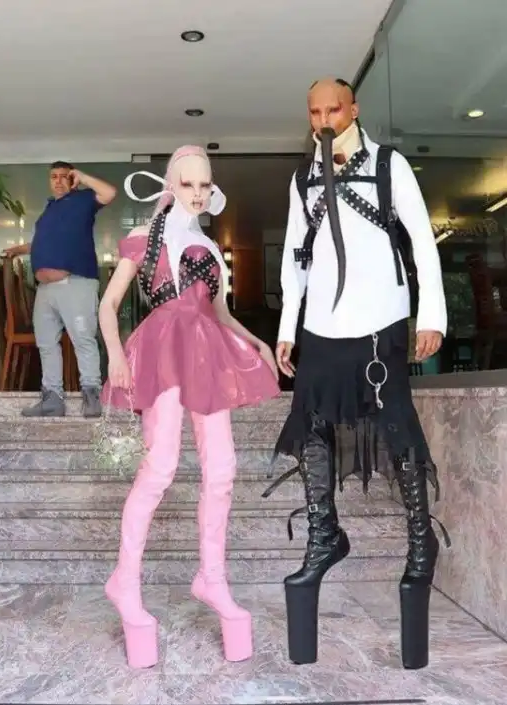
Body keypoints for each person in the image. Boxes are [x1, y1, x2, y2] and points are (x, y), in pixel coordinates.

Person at [265, 78, 450, 670]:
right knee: (311, 428)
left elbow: (422, 241)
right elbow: (295, 257)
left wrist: (432, 315)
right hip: (321, 323)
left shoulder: (390, 164)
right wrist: (288, 327)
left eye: (334, 109)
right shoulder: (302, 178)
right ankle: (325, 535)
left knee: (397, 430)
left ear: (354, 109)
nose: (324, 120)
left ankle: (420, 543)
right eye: (315, 111)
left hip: (380, 319)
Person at [98, 145, 280, 669]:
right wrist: (115, 355)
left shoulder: (209, 246)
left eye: (205, 184)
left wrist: (256, 340)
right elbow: (109, 305)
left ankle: (212, 578)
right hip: (163, 352)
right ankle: (125, 581)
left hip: (206, 355)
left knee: (222, 468)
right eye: (188, 183)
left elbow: (219, 313)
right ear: (172, 185)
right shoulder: (146, 238)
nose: (198, 193)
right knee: (161, 466)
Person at [4, 161, 117, 418]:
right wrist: (18, 250)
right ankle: (52, 399)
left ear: (72, 179)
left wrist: (83, 177)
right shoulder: (49, 210)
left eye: (64, 176)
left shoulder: (83, 200)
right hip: (45, 290)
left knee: (83, 339)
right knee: (46, 344)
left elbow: (110, 193)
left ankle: (92, 396)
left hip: (75, 283)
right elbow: (44, 241)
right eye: (53, 176)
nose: (58, 181)